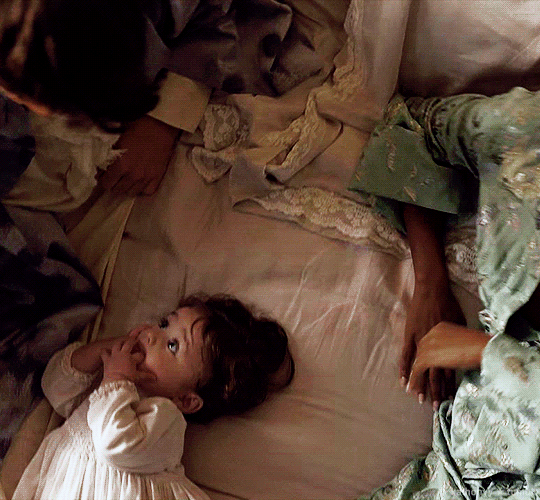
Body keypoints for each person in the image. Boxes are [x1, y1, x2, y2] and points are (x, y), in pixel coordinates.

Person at [350, 87, 540, 500]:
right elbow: (408, 128)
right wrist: (430, 280)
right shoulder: (524, 131)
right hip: (452, 475)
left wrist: (483, 351)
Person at [11, 293, 295, 500]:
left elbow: (116, 443)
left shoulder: (164, 416)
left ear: (186, 400)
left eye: (172, 345)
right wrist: (109, 349)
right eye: (163, 324)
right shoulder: (107, 386)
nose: (152, 336)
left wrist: (116, 379)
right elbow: (55, 386)